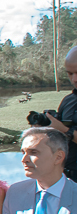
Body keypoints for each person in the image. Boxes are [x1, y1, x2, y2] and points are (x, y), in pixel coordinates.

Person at [45, 45, 77, 182]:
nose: (74, 79)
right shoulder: (69, 101)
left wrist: (65, 130)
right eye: (70, 73)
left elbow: (64, 130)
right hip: (67, 177)